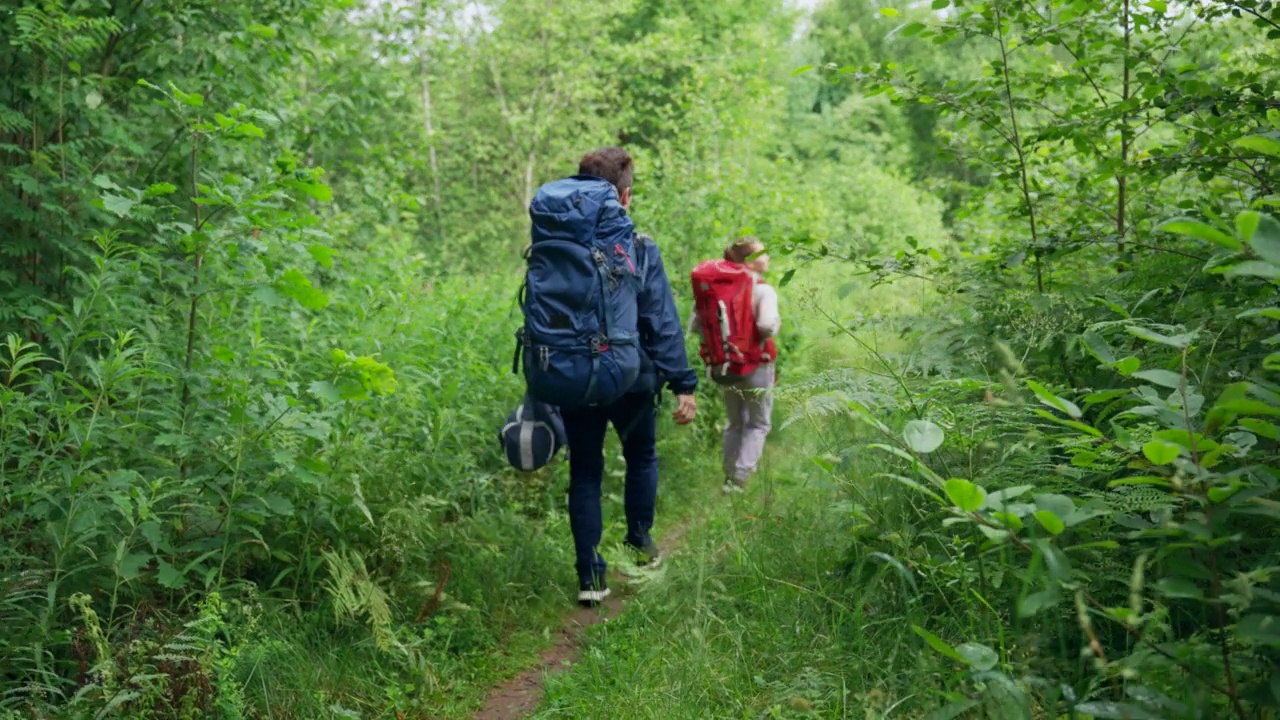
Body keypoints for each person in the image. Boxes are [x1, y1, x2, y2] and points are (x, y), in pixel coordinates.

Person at [559, 146, 698, 607]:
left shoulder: (555, 250)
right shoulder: (638, 247)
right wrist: (683, 383)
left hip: (575, 375)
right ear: (625, 196)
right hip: (631, 376)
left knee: (584, 471)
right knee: (641, 458)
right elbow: (661, 320)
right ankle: (640, 544)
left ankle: (590, 575)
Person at [689, 237, 780, 494]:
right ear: (750, 260)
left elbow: (696, 325)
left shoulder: (716, 289)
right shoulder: (763, 290)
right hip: (757, 366)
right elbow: (766, 325)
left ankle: (728, 474)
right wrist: (765, 332)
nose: (768, 257)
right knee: (759, 422)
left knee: (735, 422)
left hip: (726, 365)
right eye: (764, 253)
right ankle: (741, 476)